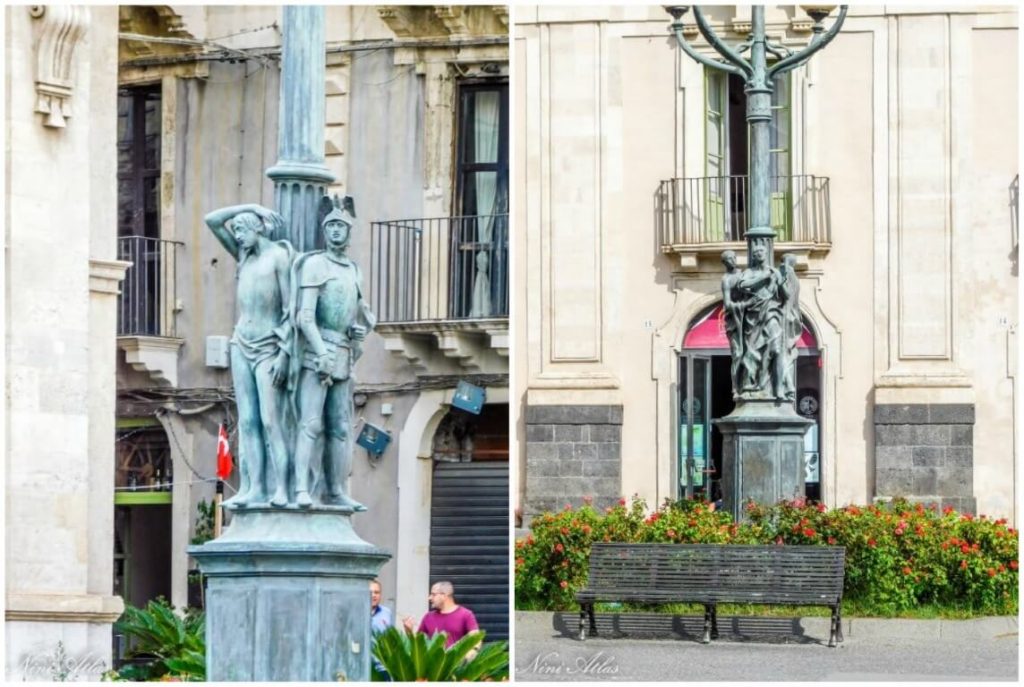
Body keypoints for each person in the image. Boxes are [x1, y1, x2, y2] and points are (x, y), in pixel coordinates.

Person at [204, 204, 294, 507]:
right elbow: (213, 220)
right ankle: (253, 488)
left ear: (259, 229)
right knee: (246, 421)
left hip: (269, 345)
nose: (238, 236)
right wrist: (249, 207)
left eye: (243, 230)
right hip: (241, 343)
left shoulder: (279, 257)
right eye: (237, 231)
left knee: (271, 421)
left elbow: (289, 311)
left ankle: (282, 488)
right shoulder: (243, 256)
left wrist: (285, 354)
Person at [290, 195, 375, 509]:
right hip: (318, 352)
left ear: (350, 231)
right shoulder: (314, 264)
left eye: (341, 226)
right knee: (310, 423)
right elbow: (304, 316)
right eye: (331, 226)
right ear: (324, 231)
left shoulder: (354, 270)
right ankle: (301, 488)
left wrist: (359, 331)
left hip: (343, 352)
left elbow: (360, 315)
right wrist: (319, 350)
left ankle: (336, 490)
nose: (336, 231)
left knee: (340, 427)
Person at [735, 241, 786, 400]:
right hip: (754, 316)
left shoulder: (775, 272)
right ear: (754, 257)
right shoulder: (749, 272)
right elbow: (742, 285)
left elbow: (785, 295)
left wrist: (782, 283)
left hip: (772, 312)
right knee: (753, 352)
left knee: (776, 350)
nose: (759, 255)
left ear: (766, 254)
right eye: (755, 254)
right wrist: (763, 278)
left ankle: (778, 388)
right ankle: (753, 384)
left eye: (761, 253)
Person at [402, 581, 480, 650]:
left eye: (433, 594)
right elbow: (419, 645)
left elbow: (476, 639)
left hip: (457, 665)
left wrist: (468, 657)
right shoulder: (428, 617)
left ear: (444, 595)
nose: (429, 598)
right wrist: (409, 631)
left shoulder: (466, 615)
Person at [720, 250, 744, 398]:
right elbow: (727, 304)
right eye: (728, 259)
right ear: (724, 263)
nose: (731, 261)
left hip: (747, 321)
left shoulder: (744, 274)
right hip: (734, 322)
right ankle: (736, 388)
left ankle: (750, 385)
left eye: (733, 258)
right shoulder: (726, 280)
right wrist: (745, 304)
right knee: (737, 354)